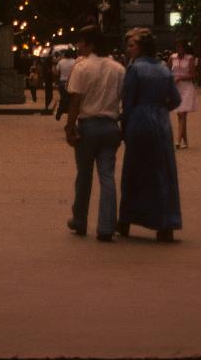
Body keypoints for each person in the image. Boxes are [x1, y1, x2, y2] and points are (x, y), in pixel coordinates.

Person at [118, 28, 182, 243]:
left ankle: (126, 219)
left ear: (141, 47)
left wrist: (125, 125)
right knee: (163, 172)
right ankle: (165, 223)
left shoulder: (135, 69)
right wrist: (160, 108)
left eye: (132, 45)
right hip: (161, 123)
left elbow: (128, 101)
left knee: (134, 171)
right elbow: (175, 99)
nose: (129, 49)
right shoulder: (164, 68)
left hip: (139, 120)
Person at [64, 26, 125, 243]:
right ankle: (107, 225)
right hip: (110, 126)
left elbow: (75, 101)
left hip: (88, 125)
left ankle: (80, 219)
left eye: (81, 42)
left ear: (90, 44)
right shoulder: (119, 69)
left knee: (84, 175)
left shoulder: (82, 68)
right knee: (107, 176)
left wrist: (69, 128)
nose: (78, 46)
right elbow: (124, 99)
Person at [168, 40, 197, 149]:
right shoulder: (172, 57)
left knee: (182, 113)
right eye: (177, 47)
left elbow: (193, 75)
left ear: (185, 49)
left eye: (181, 47)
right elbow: (167, 70)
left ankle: (178, 140)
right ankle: (185, 141)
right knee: (179, 114)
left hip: (187, 87)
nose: (179, 49)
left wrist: (180, 78)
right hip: (176, 88)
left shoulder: (190, 58)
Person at [54, 49, 77, 121]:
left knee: (63, 98)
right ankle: (70, 118)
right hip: (72, 82)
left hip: (62, 82)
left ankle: (60, 110)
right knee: (72, 101)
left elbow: (56, 73)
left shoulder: (61, 62)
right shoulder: (75, 62)